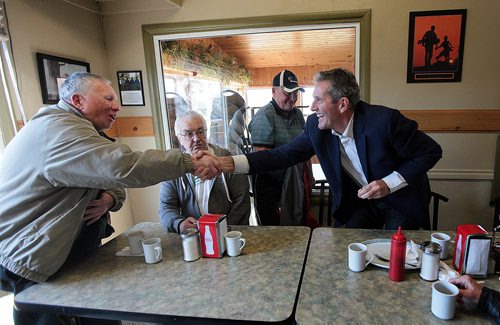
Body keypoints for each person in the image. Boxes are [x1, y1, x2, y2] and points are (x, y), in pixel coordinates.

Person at [0, 72, 220, 325]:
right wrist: (186, 162)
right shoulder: (59, 132)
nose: (117, 106)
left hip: (67, 252)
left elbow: (113, 181)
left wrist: (108, 199)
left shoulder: (78, 129)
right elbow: (121, 166)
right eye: (108, 98)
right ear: (78, 101)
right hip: (31, 254)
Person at [216, 68, 442, 230]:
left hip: (400, 198)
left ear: (342, 104)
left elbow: (431, 151)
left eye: (318, 100)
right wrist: (230, 163)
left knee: (396, 257)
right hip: (360, 202)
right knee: (348, 249)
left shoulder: (385, 121)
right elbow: (281, 156)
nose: (312, 107)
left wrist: (387, 184)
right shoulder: (317, 126)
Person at [158, 111, 250, 233]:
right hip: (193, 235)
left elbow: (242, 201)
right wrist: (179, 223)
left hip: (228, 234)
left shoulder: (227, 159)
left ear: (206, 132)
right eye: (188, 134)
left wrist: (222, 230)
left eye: (200, 132)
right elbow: (166, 207)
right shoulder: (174, 167)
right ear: (179, 138)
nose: (196, 139)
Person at [248, 69, 306, 225]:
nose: (293, 98)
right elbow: (262, 159)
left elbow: (305, 149)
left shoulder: (298, 115)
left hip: (292, 181)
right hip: (268, 183)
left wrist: (309, 176)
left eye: (296, 93)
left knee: (296, 224)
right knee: (271, 228)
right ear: (273, 91)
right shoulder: (264, 116)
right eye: (288, 93)